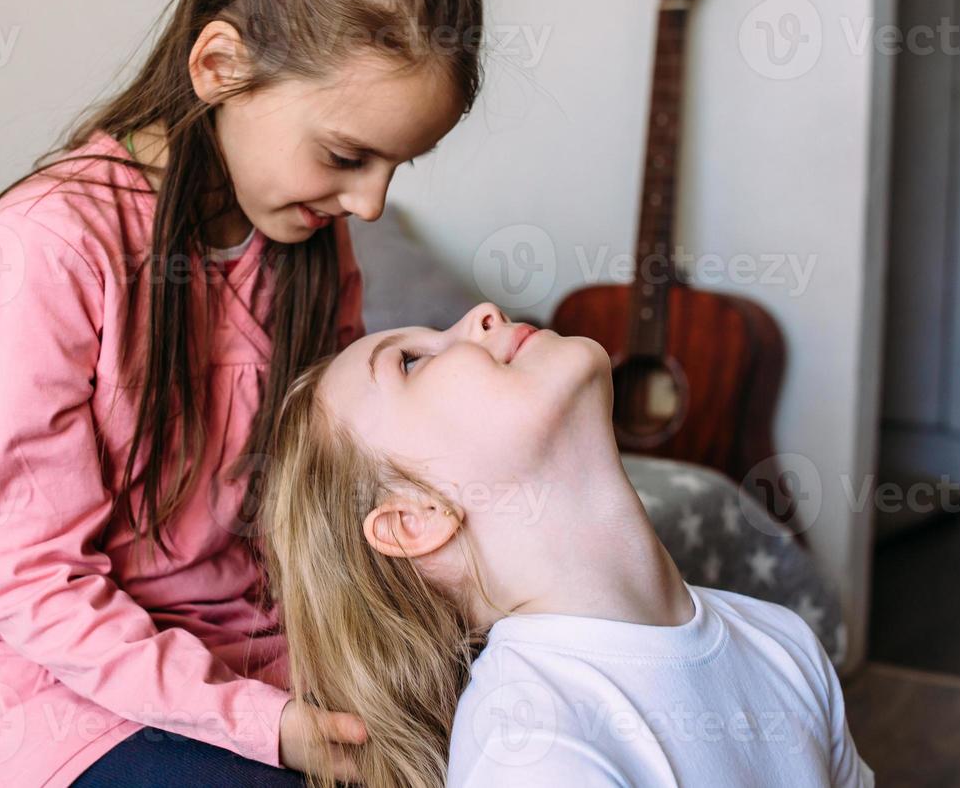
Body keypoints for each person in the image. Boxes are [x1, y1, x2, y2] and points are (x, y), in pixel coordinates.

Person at [0, 0, 485, 788]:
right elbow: (31, 576)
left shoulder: (306, 236)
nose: (369, 205)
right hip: (43, 667)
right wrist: (261, 723)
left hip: (241, 638)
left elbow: (319, 490)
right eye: (345, 155)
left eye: (395, 169)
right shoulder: (46, 251)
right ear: (219, 66)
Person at [261, 303, 876, 788]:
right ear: (415, 519)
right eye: (412, 363)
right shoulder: (533, 745)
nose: (483, 312)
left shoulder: (781, 640)